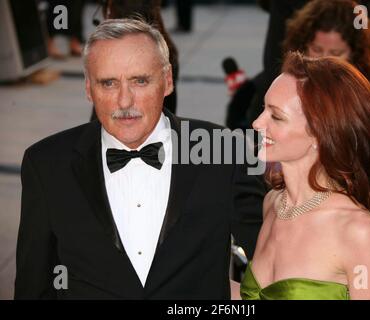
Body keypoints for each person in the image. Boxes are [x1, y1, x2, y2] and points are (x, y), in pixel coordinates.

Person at [14, 18, 265, 299]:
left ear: (168, 81)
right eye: (108, 83)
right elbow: (33, 285)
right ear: (88, 89)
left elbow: (274, 260)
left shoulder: (223, 152)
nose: (124, 101)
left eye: (140, 81)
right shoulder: (47, 164)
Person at [234, 52, 370, 300]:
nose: (257, 123)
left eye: (276, 116)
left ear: (319, 135)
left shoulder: (356, 230)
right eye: (263, 109)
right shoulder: (274, 204)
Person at [281, 0, 370, 184]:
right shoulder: (285, 91)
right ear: (302, 47)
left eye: (336, 53)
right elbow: (271, 163)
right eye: (317, 50)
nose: (324, 60)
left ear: (355, 53)